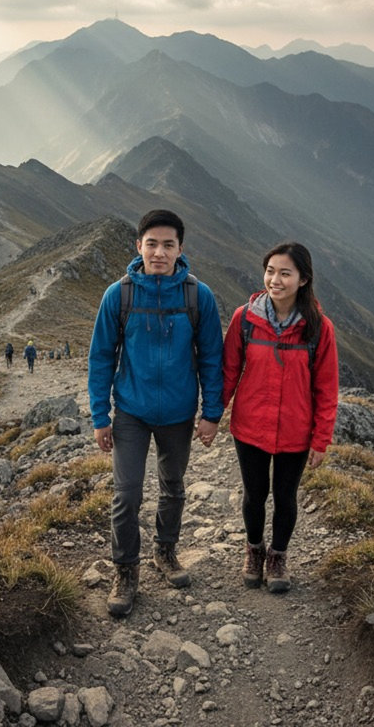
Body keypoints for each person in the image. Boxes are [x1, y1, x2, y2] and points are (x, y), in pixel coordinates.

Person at [88, 209, 224, 617]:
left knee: (173, 486)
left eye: (168, 245)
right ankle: (125, 570)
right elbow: (100, 358)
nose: (159, 252)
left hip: (179, 414)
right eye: (152, 244)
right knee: (127, 495)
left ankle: (165, 552)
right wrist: (100, 415)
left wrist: (210, 413)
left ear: (180, 248)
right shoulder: (120, 295)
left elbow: (213, 359)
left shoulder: (198, 296)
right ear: (139, 246)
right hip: (130, 411)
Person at [220, 242, 339, 594]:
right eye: (270, 271)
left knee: (285, 497)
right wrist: (212, 414)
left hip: (295, 431)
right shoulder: (245, 319)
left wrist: (321, 440)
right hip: (250, 426)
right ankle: (254, 551)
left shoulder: (319, 328)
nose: (275, 279)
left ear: (303, 279)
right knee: (254, 495)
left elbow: (327, 389)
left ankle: (278, 556)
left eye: (285, 273)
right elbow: (228, 371)